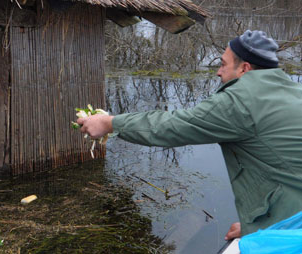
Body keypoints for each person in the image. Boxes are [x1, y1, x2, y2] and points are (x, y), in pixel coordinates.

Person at [77, 30, 302, 239]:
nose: (218, 71)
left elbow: (173, 126)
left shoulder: (241, 101)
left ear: (244, 68)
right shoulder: (293, 92)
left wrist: (110, 123)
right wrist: (259, 226)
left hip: (293, 229)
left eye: (223, 65)